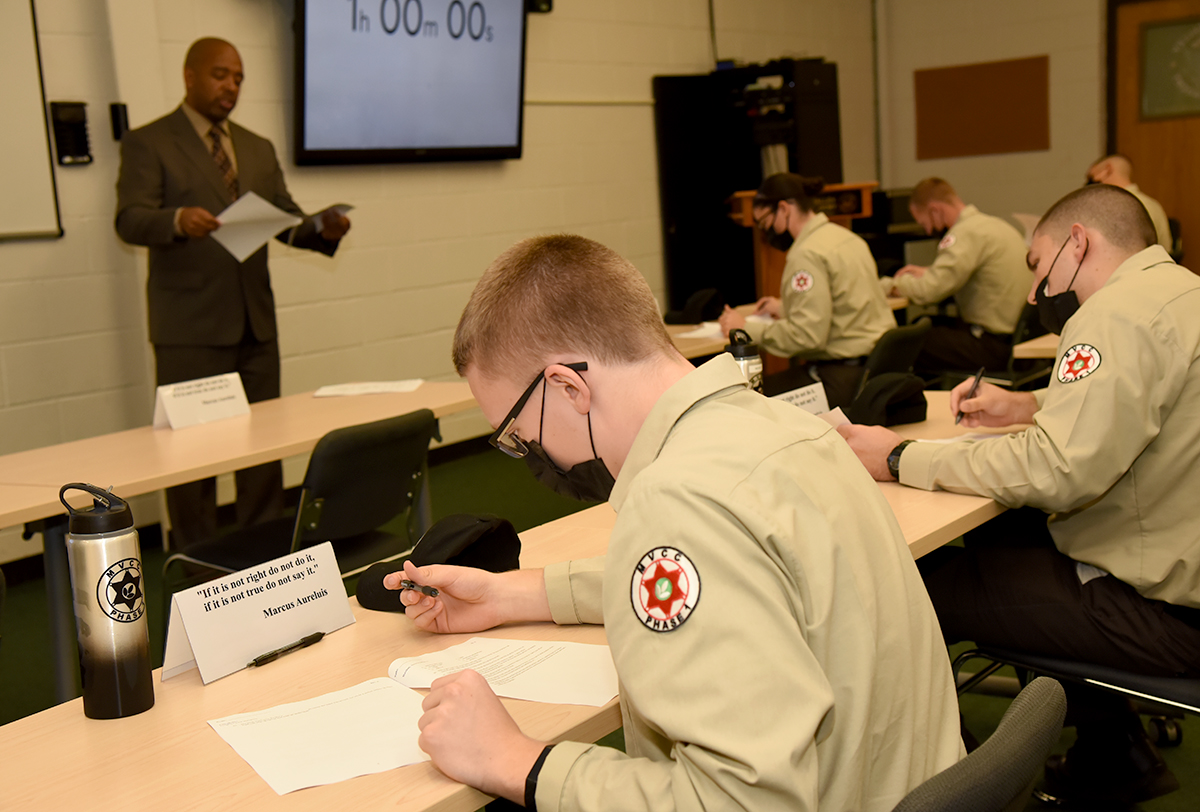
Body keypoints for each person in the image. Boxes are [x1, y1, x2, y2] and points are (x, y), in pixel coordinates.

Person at [382, 234, 963, 812]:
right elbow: (737, 579)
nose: (527, 451)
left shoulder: (676, 500)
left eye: (517, 432)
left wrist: (516, 762)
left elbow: (743, 804)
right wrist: (509, 595)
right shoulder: (785, 429)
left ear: (566, 385)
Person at [838, 184, 1200, 806]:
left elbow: (1059, 469)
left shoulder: (1114, 313)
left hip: (1161, 617)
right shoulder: (1180, 293)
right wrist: (1030, 403)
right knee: (1003, 536)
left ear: (1078, 243)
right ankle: (1114, 755)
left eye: (1037, 266)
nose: (1034, 293)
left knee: (912, 588)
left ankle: (966, 783)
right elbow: (1147, 407)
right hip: (1180, 580)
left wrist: (898, 456)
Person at [115, 38, 350, 551]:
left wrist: (322, 230)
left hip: (255, 324)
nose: (231, 87)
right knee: (190, 458)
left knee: (263, 450)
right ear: (190, 76)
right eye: (221, 75)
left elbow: (284, 221)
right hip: (189, 328)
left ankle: (264, 554)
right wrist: (177, 219)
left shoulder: (256, 146)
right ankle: (196, 561)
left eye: (239, 78)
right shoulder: (149, 142)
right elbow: (129, 219)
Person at [717, 173, 894, 407]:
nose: (766, 232)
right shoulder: (847, 238)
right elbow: (848, 302)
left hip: (839, 377)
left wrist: (746, 328)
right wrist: (786, 307)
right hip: (876, 372)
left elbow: (807, 337)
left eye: (765, 222)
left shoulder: (807, 254)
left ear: (783, 208)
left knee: (746, 401)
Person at [881, 178, 1029, 373]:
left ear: (935, 210)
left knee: (908, 342)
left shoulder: (964, 234)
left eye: (924, 222)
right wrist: (929, 272)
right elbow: (972, 272)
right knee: (926, 324)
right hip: (1018, 339)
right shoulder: (993, 225)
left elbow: (929, 291)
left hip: (993, 346)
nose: (927, 230)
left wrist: (888, 285)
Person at [1086, 153, 1172, 250]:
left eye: (1091, 177)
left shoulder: (1119, 207)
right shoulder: (1153, 204)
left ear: (1107, 170)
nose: (1089, 184)